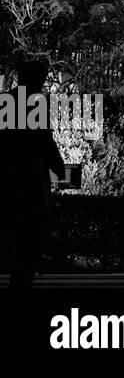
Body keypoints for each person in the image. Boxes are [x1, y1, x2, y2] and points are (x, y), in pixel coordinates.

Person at [0, 62, 66, 288]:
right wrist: (57, 166)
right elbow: (44, 141)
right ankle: (21, 281)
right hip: (28, 178)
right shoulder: (34, 104)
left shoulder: (6, 102)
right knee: (28, 237)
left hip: (7, 176)